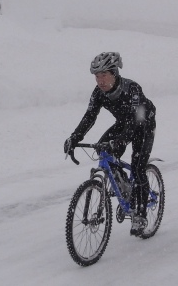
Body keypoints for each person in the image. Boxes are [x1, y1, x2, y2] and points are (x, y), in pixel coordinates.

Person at [64, 52, 156, 236]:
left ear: (114, 73)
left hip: (143, 123)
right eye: (97, 76)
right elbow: (89, 117)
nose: (100, 81)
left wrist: (120, 141)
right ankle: (124, 185)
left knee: (138, 168)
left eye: (104, 75)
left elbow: (136, 120)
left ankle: (140, 215)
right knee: (103, 149)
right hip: (123, 123)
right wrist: (74, 137)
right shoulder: (98, 93)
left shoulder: (132, 89)